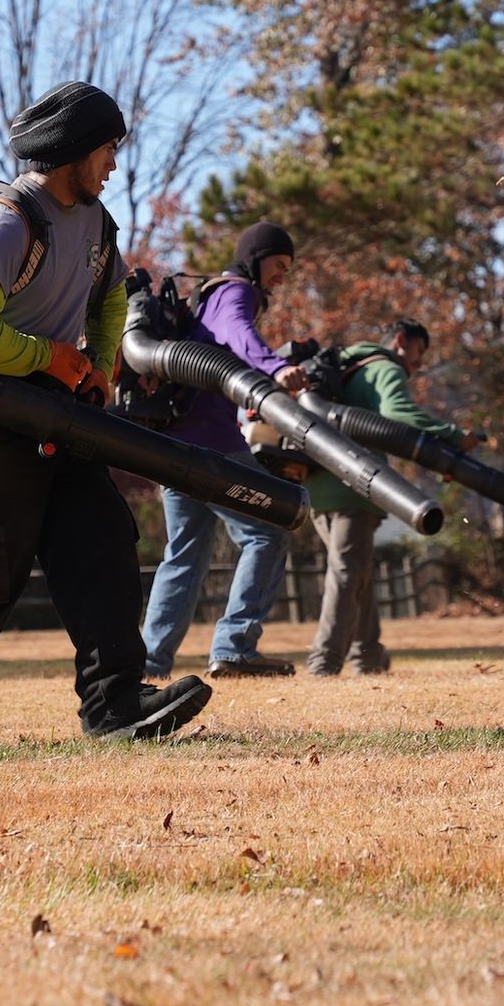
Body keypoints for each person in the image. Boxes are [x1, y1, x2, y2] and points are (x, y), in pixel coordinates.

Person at [0, 81, 212, 749]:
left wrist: (103, 366)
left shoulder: (96, 223)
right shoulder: (8, 218)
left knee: (103, 549)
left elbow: (111, 301)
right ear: (75, 150)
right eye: (108, 149)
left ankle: (116, 709)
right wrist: (49, 358)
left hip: (56, 420)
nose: (114, 163)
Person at [140, 222, 306, 678]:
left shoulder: (206, 296)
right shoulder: (236, 293)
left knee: (184, 554)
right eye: (278, 264)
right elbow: (237, 332)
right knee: (269, 531)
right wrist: (276, 367)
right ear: (256, 258)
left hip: (174, 444)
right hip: (212, 446)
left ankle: (150, 663)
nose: (281, 275)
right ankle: (235, 646)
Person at [303, 318, 478, 676]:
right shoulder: (385, 367)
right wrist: (453, 436)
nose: (419, 363)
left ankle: (368, 654)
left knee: (356, 571)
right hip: (357, 482)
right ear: (400, 341)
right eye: (418, 351)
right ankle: (324, 661)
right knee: (349, 572)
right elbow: (398, 414)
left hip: (316, 481)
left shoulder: (346, 365)